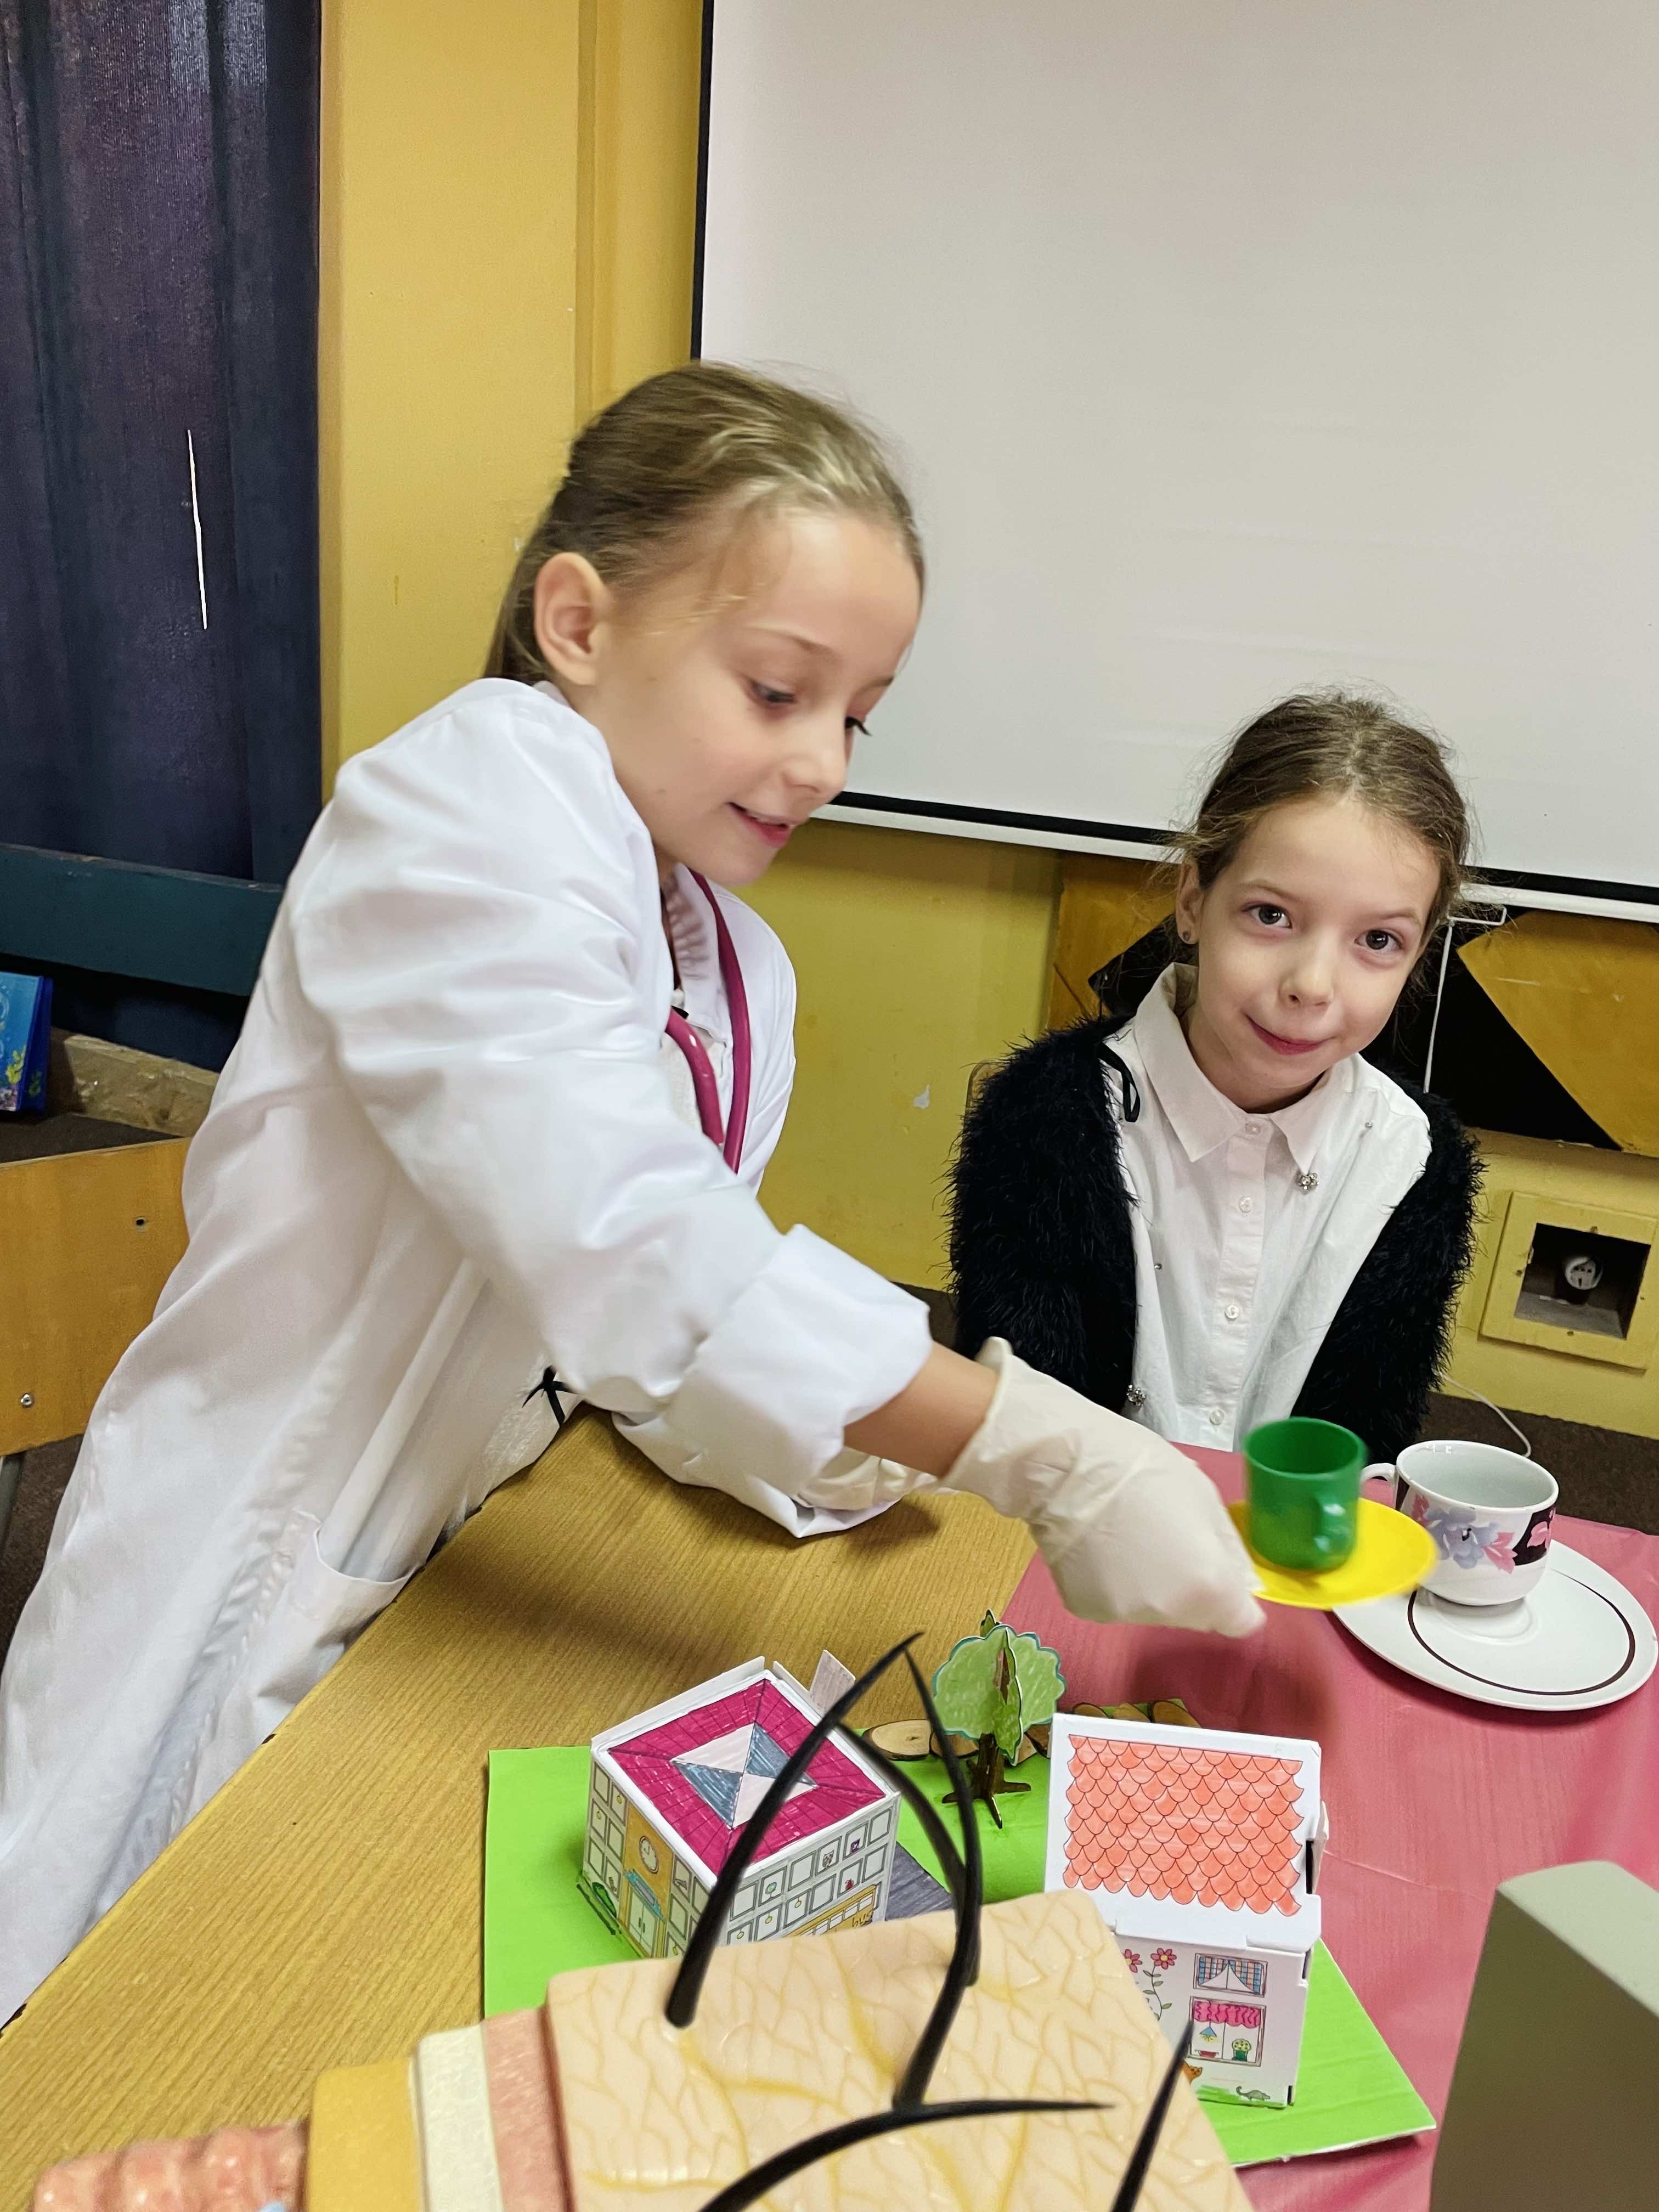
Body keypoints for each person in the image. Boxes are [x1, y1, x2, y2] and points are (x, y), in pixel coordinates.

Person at [0, 365, 1259, 2020]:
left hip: (473, 1554)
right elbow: (615, 1230)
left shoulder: (735, 968)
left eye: (857, 715)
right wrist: (1029, 1443)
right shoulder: (459, 807)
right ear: (579, 623)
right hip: (244, 1572)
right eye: (777, 690)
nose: (821, 762)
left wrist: (858, 1457)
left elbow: (656, 1326)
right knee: (114, 2019)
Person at [951, 691, 1481, 1460]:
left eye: (1377, 940)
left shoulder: (1415, 1160)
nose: (1312, 985)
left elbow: (1362, 1442)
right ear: (1194, 900)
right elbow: (1020, 1428)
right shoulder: (1044, 1115)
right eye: (1271, 915)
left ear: (1420, 952)